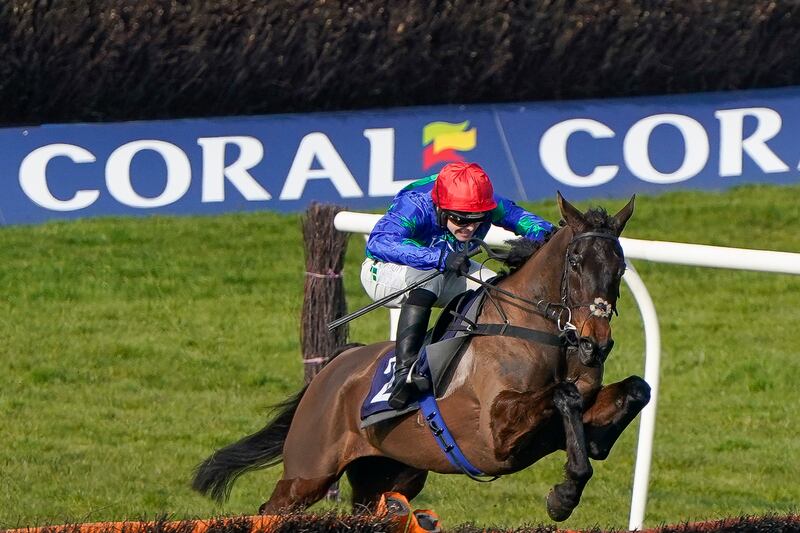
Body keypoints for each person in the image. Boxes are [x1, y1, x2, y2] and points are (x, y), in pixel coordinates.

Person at [360, 162, 555, 409]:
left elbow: (528, 222)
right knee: (427, 276)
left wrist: (553, 237)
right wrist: (438, 257)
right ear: (441, 208)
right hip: (384, 272)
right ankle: (404, 372)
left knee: (497, 291)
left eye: (477, 220)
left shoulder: (484, 200)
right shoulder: (416, 204)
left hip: (447, 267)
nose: (470, 228)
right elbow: (379, 243)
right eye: (461, 219)